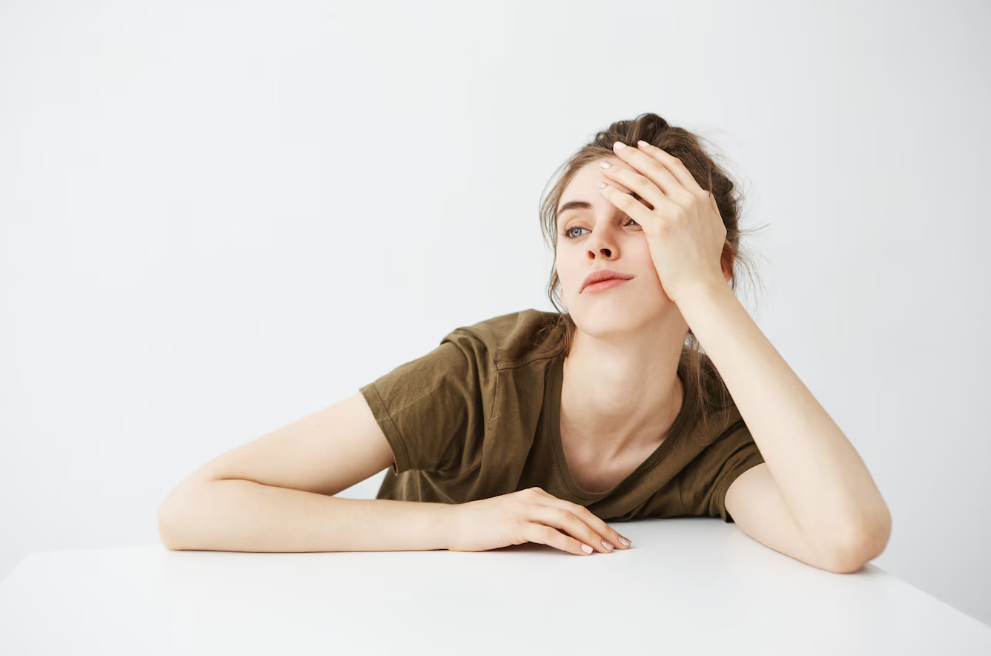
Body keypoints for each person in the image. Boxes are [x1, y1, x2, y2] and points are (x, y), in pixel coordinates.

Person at [157, 112, 802, 561]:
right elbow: (193, 508)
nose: (597, 245)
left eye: (636, 219)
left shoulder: (722, 417)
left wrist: (704, 289)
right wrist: (457, 524)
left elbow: (842, 534)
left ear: (711, 255)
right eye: (576, 229)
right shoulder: (483, 375)